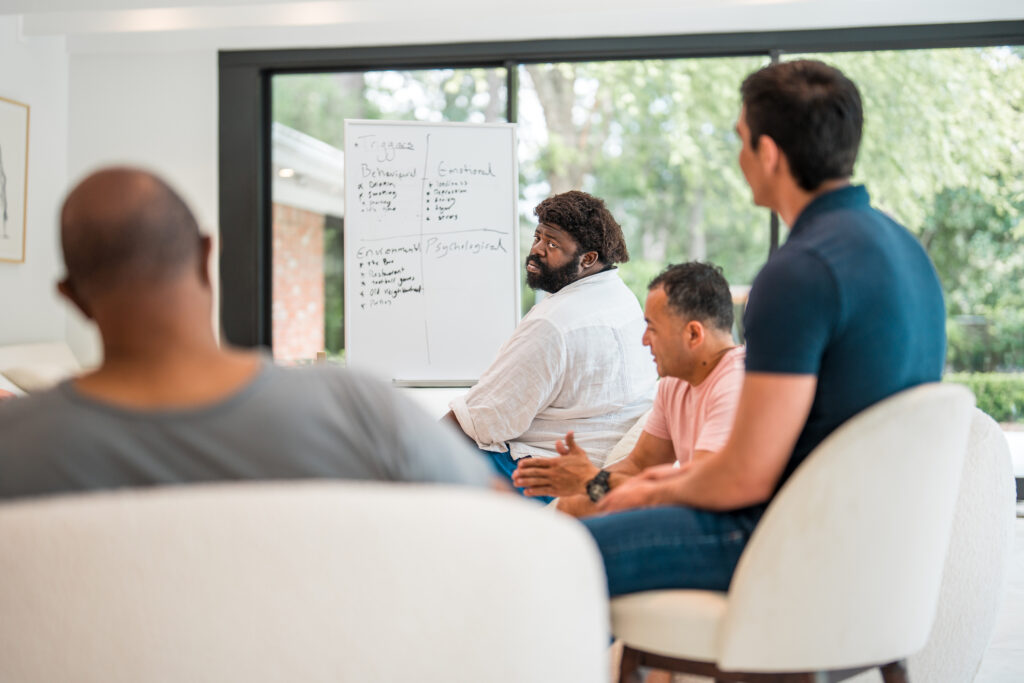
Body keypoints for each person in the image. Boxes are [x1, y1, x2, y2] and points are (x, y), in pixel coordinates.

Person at [582, 59, 947, 597]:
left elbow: (745, 477)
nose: (739, 157)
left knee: (558, 554)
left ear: (769, 153)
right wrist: (670, 478)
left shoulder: (799, 272)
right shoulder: (907, 250)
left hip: (787, 538)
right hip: (881, 542)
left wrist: (651, 493)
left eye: (742, 140)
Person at [0, 168, 496, 501]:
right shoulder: (357, 411)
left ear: (70, 295)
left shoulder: (16, 446)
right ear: (204, 254)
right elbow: (509, 531)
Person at [444, 190, 656, 499]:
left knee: (420, 462)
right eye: (538, 237)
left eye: (553, 244)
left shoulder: (554, 324)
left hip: (544, 475)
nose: (537, 250)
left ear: (588, 259)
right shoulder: (621, 297)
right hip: (595, 460)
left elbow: (479, 423)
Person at [512, 262, 745, 517]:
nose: (644, 340)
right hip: (685, 506)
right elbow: (639, 464)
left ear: (693, 334)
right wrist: (584, 481)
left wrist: (593, 481)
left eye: (653, 329)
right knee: (572, 507)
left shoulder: (734, 386)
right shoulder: (675, 381)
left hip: (714, 521)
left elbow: (697, 493)